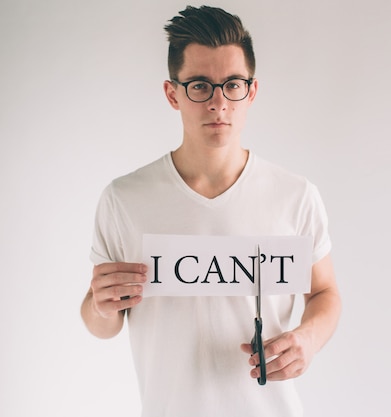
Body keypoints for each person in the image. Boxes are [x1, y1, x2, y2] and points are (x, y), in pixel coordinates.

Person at [80, 5, 341, 416]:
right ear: (173, 93)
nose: (219, 103)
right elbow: (101, 321)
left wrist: (307, 339)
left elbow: (325, 292)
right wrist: (99, 305)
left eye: (232, 84)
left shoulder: (295, 195)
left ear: (251, 91)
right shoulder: (125, 199)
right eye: (200, 85)